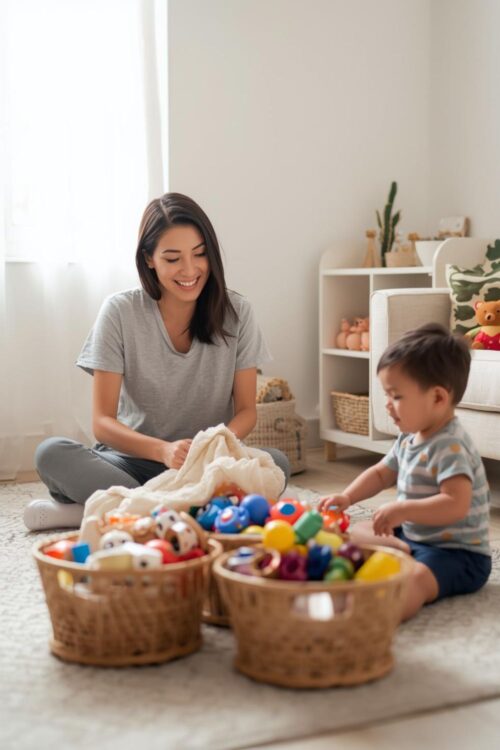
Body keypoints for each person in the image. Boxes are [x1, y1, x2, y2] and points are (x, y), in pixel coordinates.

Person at [25, 193, 290, 531]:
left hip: (207, 464)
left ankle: (114, 512)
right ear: (149, 259)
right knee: (51, 452)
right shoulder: (119, 312)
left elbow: (246, 413)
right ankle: (190, 512)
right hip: (131, 462)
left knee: (277, 464)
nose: (190, 270)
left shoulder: (238, 314)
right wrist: (164, 451)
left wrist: (208, 448)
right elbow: (103, 422)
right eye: (173, 258)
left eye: (199, 254)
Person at [319, 323, 491, 621]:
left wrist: (403, 509)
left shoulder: (451, 445)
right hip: (415, 537)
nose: (387, 405)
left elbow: (456, 503)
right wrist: (347, 497)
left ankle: (372, 618)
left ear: (438, 398)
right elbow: (381, 473)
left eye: (396, 396)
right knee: (355, 532)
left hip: (456, 553)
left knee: (416, 582)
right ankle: (399, 549)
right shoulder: (410, 436)